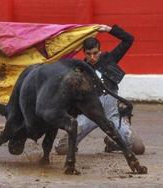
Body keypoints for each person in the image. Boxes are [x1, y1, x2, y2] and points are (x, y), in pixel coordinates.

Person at [54, 24, 145, 155]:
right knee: (62, 149)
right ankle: (74, 143)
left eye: (95, 53)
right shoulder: (79, 70)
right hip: (88, 115)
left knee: (138, 148)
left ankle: (113, 142)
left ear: (100, 51)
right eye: (89, 54)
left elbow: (128, 39)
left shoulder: (109, 60)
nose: (92, 57)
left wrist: (109, 30)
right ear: (83, 53)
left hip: (111, 114)